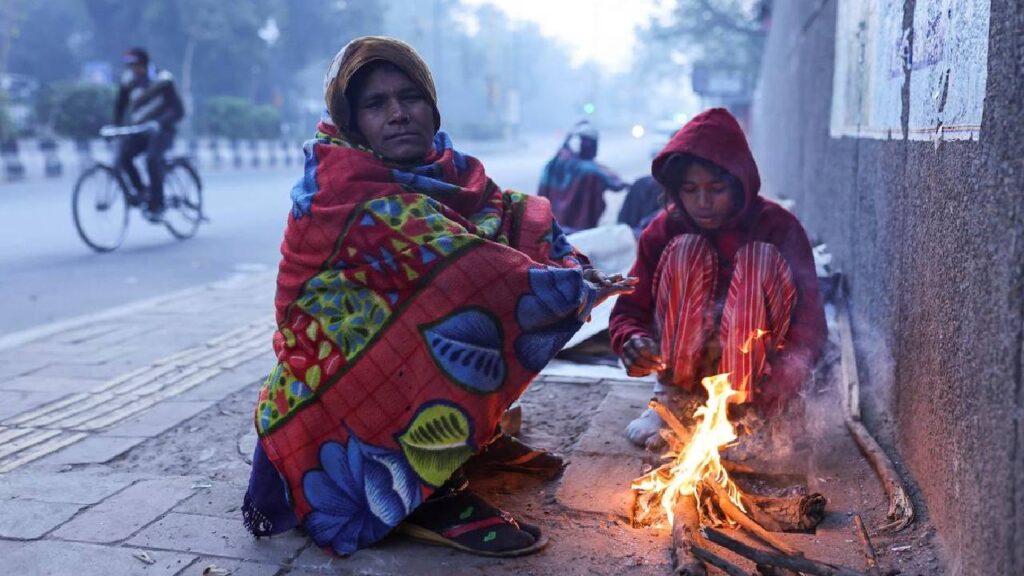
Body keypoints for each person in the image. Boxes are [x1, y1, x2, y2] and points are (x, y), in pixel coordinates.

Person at [242, 36, 635, 558]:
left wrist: (568, 263)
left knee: (485, 285)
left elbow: (510, 216)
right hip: (330, 395)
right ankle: (427, 490)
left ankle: (465, 440)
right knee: (459, 299)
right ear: (351, 119)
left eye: (410, 97)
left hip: (388, 366)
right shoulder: (339, 189)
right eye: (376, 104)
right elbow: (472, 267)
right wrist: (565, 286)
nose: (399, 114)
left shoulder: (452, 171)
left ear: (432, 103)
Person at [608, 108, 827, 448]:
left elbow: (810, 325)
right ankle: (673, 403)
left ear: (739, 185)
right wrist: (633, 341)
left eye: (716, 189)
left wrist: (782, 384)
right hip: (686, 370)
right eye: (691, 190)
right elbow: (627, 311)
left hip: (758, 382)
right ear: (676, 190)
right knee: (686, 250)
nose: (703, 202)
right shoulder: (664, 229)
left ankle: (748, 415)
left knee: (759, 257)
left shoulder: (778, 226)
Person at [113, 47, 184, 220]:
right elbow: (120, 107)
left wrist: (159, 122)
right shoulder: (128, 81)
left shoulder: (163, 80)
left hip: (163, 131)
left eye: (136, 65)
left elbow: (178, 110)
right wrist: (116, 127)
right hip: (140, 131)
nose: (134, 70)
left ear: (144, 64)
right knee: (123, 157)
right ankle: (142, 191)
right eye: (130, 66)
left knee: (152, 159)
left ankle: (157, 204)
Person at [537, 120, 627, 232]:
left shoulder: (553, 163)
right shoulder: (588, 170)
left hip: (550, 226)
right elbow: (611, 180)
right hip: (575, 227)